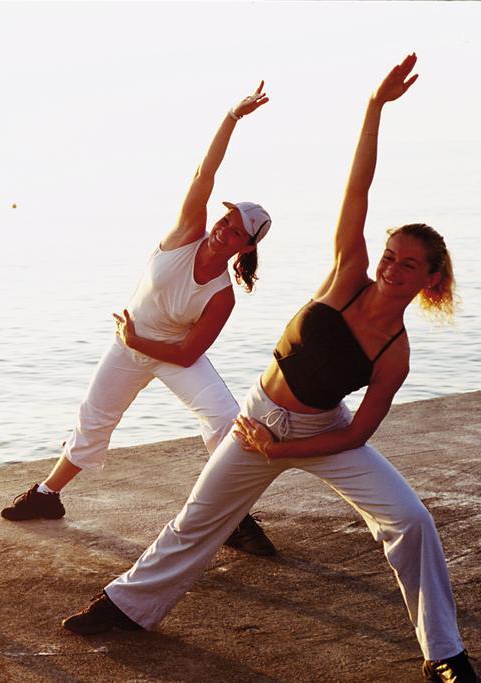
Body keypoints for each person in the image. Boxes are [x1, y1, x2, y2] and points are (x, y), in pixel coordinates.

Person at [61, 54, 477, 682]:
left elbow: (359, 433)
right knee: (199, 520)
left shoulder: (396, 352)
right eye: (391, 254)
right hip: (260, 416)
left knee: (411, 521)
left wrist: (284, 454)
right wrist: (373, 108)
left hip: (320, 433)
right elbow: (357, 189)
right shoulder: (346, 275)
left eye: (409, 264)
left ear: (431, 280)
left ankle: (444, 653)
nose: (391, 267)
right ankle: (125, 604)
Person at [0, 82, 277, 556]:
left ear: (245, 247)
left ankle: (232, 516)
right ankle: (48, 497)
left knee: (224, 419)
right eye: (225, 220)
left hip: (169, 352)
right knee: (94, 420)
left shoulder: (221, 296)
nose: (222, 230)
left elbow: (189, 352)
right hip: (132, 344)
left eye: (234, 232)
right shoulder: (187, 231)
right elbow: (204, 173)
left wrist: (137, 340)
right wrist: (231, 116)